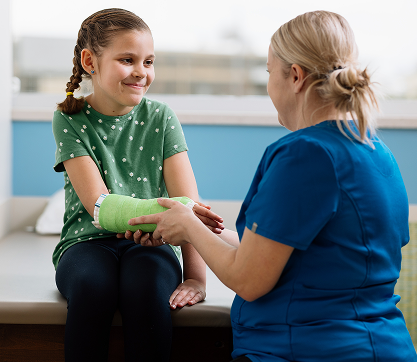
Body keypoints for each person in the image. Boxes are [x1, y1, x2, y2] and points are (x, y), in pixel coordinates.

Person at [128, 10, 417, 362]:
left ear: (295, 76)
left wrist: (189, 226)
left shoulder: (305, 155)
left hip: (307, 351)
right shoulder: (375, 150)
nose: (269, 86)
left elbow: (248, 279)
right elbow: (296, 254)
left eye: (268, 72)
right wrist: (197, 229)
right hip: (383, 346)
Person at [51, 8, 218, 362]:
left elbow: (187, 202)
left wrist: (196, 280)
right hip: (86, 242)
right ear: (89, 62)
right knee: (93, 287)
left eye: (149, 61)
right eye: (128, 60)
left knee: (145, 289)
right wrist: (172, 213)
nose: (142, 72)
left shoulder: (161, 117)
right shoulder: (70, 118)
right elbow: (100, 206)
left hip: (153, 243)